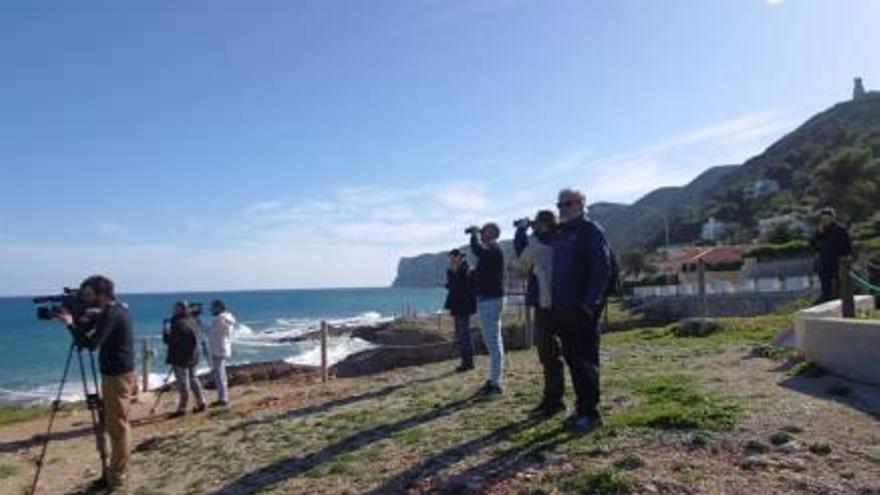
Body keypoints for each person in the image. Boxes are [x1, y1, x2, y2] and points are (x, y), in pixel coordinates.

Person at [56, 275, 135, 491]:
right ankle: (111, 473)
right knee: (112, 425)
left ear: (102, 294)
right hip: (115, 374)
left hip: (117, 377)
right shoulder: (114, 309)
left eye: (89, 295)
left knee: (118, 428)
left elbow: (91, 344)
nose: (86, 299)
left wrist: (70, 325)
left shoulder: (112, 312)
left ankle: (118, 478)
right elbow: (91, 332)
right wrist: (79, 321)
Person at [551, 188, 612, 433]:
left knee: (586, 360)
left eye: (567, 204)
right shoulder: (563, 232)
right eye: (560, 205)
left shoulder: (590, 230)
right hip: (563, 308)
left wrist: (590, 303)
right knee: (573, 360)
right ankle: (581, 407)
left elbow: (602, 267)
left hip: (582, 308)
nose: (563, 209)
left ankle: (591, 413)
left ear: (581, 204)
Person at [514, 210, 564, 417]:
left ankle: (553, 401)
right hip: (563, 300)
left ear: (541, 225)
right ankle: (555, 399)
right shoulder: (562, 239)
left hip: (544, 302)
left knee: (548, 353)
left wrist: (521, 231)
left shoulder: (538, 244)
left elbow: (522, 265)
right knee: (560, 352)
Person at [468, 222, 505, 395]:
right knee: (493, 342)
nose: (482, 231)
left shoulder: (493, 249)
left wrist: (474, 234)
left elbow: (477, 249)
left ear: (493, 233)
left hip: (490, 300)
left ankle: (496, 384)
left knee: (493, 343)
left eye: (485, 230)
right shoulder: (491, 252)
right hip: (488, 299)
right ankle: (494, 379)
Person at [163, 301, 207, 417]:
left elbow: (170, 341)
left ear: (179, 309)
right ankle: (201, 401)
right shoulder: (192, 320)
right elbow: (198, 335)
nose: (172, 309)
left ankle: (182, 408)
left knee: (183, 382)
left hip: (180, 356)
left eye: (175, 307)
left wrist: (165, 331)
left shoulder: (176, 322)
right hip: (194, 353)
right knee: (193, 378)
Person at [809, 207, 853, 304]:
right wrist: (818, 234)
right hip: (824, 265)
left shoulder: (841, 230)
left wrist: (847, 260)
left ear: (833, 218)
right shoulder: (819, 232)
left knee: (841, 289)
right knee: (826, 290)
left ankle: (842, 307)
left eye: (828, 218)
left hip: (839, 264)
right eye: (823, 219)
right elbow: (811, 247)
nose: (826, 221)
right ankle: (827, 306)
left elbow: (848, 248)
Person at [444, 249, 477, 372]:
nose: (451, 260)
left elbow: (463, 286)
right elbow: (453, 285)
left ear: (459, 257)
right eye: (450, 258)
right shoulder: (454, 269)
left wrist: (452, 275)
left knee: (464, 334)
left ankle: (468, 363)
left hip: (464, 306)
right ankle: (465, 361)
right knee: (460, 334)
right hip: (457, 306)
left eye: (453, 257)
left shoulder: (467, 269)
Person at [203, 299, 236, 407]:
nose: (211, 309)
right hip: (224, 347)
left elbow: (209, 332)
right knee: (222, 374)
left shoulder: (219, 319)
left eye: (212, 307)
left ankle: (223, 399)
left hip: (218, 349)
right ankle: (223, 397)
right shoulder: (228, 317)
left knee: (219, 375)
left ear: (218, 307)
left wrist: (198, 322)